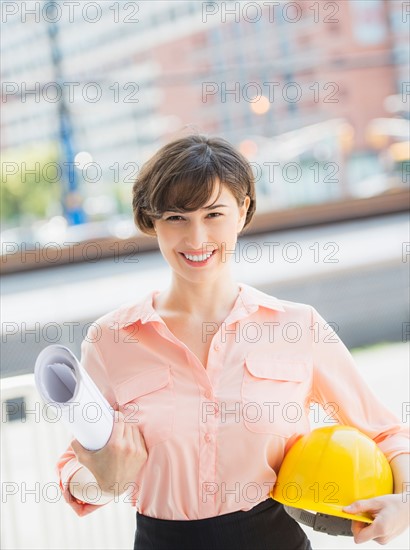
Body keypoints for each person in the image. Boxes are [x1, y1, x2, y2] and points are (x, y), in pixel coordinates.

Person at [57, 135, 410, 550]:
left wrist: (404, 502)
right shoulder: (111, 341)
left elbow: (387, 432)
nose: (196, 237)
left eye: (214, 214)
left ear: (242, 212)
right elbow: (73, 467)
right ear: (152, 220)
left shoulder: (297, 328)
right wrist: (102, 481)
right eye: (175, 217)